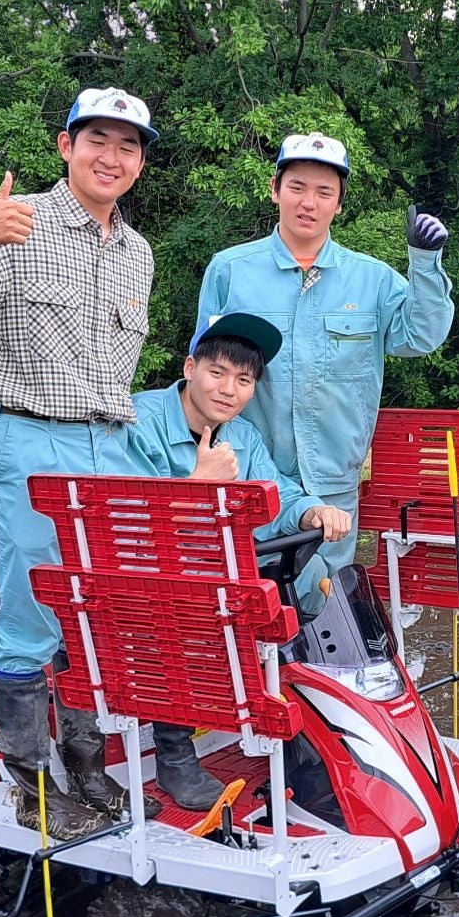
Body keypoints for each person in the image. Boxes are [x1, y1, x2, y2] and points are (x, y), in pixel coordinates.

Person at [0, 87, 159, 813]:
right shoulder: (16, 221)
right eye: (97, 140)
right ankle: (30, 783)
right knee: (31, 613)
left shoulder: (138, 253)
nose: (111, 157)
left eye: (128, 146)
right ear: (66, 146)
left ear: (140, 163)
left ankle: (88, 766)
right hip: (31, 438)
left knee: (96, 616)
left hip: (111, 447)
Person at [100, 311, 355, 807]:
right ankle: (174, 753)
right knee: (179, 601)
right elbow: (122, 528)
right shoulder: (136, 422)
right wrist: (198, 485)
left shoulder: (244, 437)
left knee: (313, 577)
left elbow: (277, 495)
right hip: (146, 582)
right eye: (217, 373)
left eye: (243, 380)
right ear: (190, 367)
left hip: (221, 575)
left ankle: (310, 717)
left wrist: (312, 511)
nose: (228, 390)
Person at [194, 133, 452, 602]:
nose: (308, 202)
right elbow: (202, 379)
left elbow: (421, 337)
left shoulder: (372, 279)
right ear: (275, 189)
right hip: (247, 478)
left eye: (323, 191)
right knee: (243, 604)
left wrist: (426, 263)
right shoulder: (230, 270)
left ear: (339, 202)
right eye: (297, 187)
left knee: (325, 610)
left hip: (333, 484)